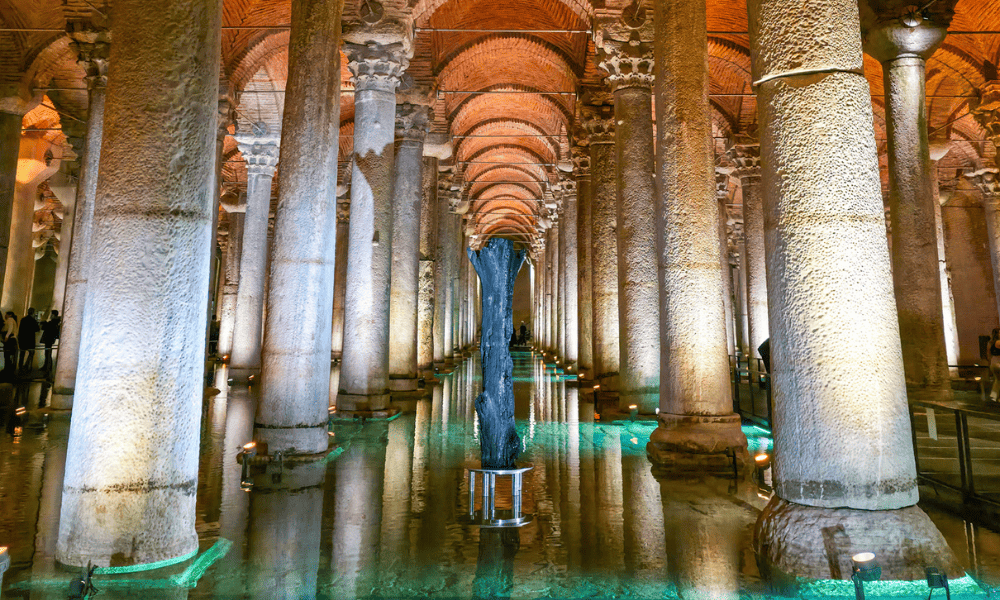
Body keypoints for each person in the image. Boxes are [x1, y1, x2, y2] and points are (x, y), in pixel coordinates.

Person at [18, 307, 39, 375]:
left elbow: (20, 330)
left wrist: (19, 339)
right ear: (33, 313)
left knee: (22, 354)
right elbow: (37, 329)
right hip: (30, 340)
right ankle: (28, 367)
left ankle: (20, 367)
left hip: (23, 340)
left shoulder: (23, 320)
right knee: (31, 354)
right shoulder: (33, 321)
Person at [40, 309, 60, 376]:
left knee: (48, 353)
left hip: (49, 339)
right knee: (47, 353)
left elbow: (45, 327)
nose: (50, 316)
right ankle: (47, 366)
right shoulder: (55, 322)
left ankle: (48, 367)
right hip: (50, 339)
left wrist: (44, 322)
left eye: (51, 314)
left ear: (54, 315)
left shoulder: (52, 323)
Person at [2, 312, 17, 379]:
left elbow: (10, 329)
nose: (5, 315)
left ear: (10, 315)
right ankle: (8, 369)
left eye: (6, 314)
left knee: (7, 354)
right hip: (11, 339)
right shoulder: (11, 320)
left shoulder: (10, 320)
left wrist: (6, 336)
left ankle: (8, 369)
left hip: (10, 339)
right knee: (9, 355)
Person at [990, 328, 1000, 402]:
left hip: (993, 363)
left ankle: (993, 396)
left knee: (997, 380)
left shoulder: (991, 343)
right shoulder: (999, 342)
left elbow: (988, 355)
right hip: (998, 364)